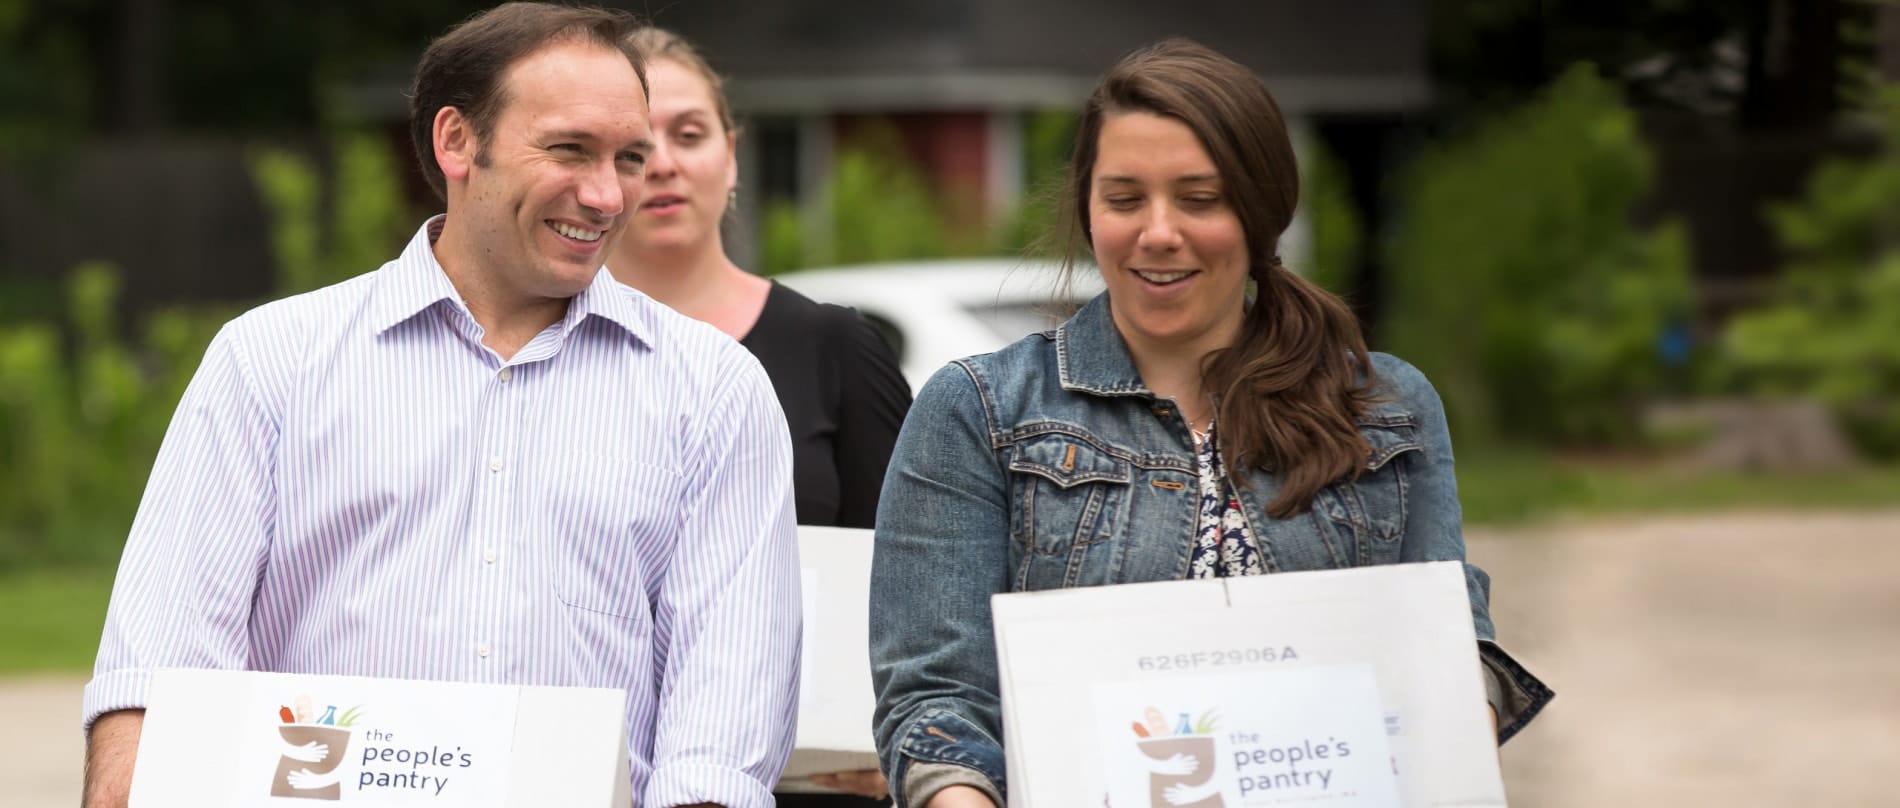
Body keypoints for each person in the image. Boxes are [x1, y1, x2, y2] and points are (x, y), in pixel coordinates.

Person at [80, 5, 801, 808]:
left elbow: (719, 743)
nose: (605, 194)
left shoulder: (714, 393)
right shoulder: (271, 363)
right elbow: (155, 684)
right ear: (456, 141)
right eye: (569, 150)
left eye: (628, 158)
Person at [867, 39, 1554, 808]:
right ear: (1088, 211)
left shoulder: (1385, 405)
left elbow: (1449, 653)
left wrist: (1453, 737)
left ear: (1263, 214)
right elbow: (935, 702)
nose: (1159, 232)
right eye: (1125, 199)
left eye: (1200, 198)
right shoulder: (978, 410)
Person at [604, 27, 910, 805]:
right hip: (597, 772)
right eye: (637, 143)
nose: (666, 161)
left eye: (690, 134)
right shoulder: (542, 358)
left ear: (731, 154)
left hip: (812, 777)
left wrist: (901, 741)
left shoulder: (835, 347)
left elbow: (913, 581)